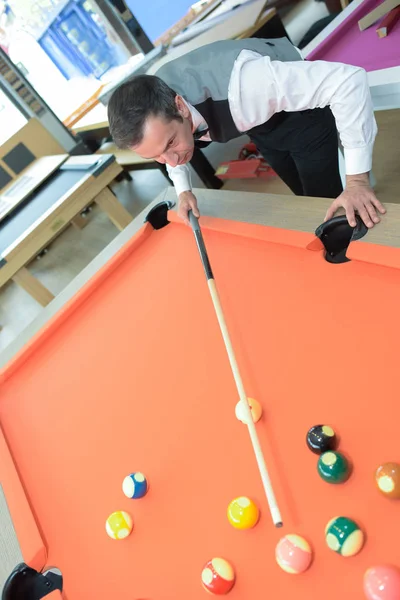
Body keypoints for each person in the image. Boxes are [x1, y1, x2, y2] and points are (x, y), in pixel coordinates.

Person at [107, 37, 386, 228]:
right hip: (260, 127)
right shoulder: (159, 106)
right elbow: (163, 146)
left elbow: (349, 81)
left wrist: (358, 182)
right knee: (305, 199)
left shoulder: (250, 84)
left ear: (180, 105)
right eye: (156, 156)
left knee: (324, 201)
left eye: (171, 143)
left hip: (303, 115)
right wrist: (183, 190)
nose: (171, 160)